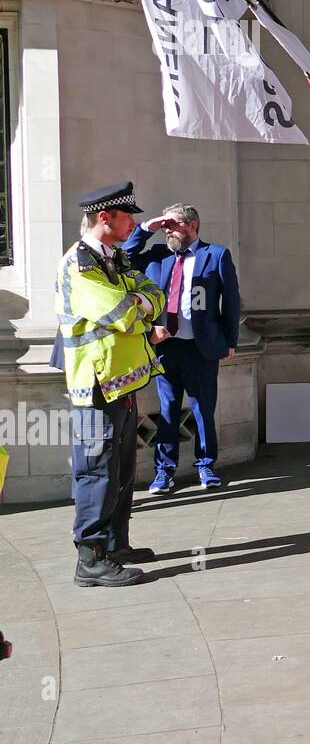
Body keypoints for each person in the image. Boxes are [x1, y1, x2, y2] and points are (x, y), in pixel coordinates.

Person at [56, 182, 166, 587]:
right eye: (126, 216)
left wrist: (143, 305)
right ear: (105, 218)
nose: (133, 223)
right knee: (95, 472)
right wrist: (142, 310)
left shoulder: (113, 258)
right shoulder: (80, 265)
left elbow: (154, 293)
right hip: (94, 386)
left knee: (120, 470)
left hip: (121, 383)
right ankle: (90, 558)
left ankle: (116, 542)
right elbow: (121, 313)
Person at [124, 203, 241, 492]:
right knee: (168, 411)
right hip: (166, 348)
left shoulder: (215, 255)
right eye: (164, 227)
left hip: (201, 349)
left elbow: (232, 301)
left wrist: (230, 341)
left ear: (192, 226)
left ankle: (206, 466)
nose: (167, 230)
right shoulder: (157, 256)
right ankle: (164, 471)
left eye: (172, 225)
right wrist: (144, 229)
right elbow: (123, 257)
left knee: (203, 410)